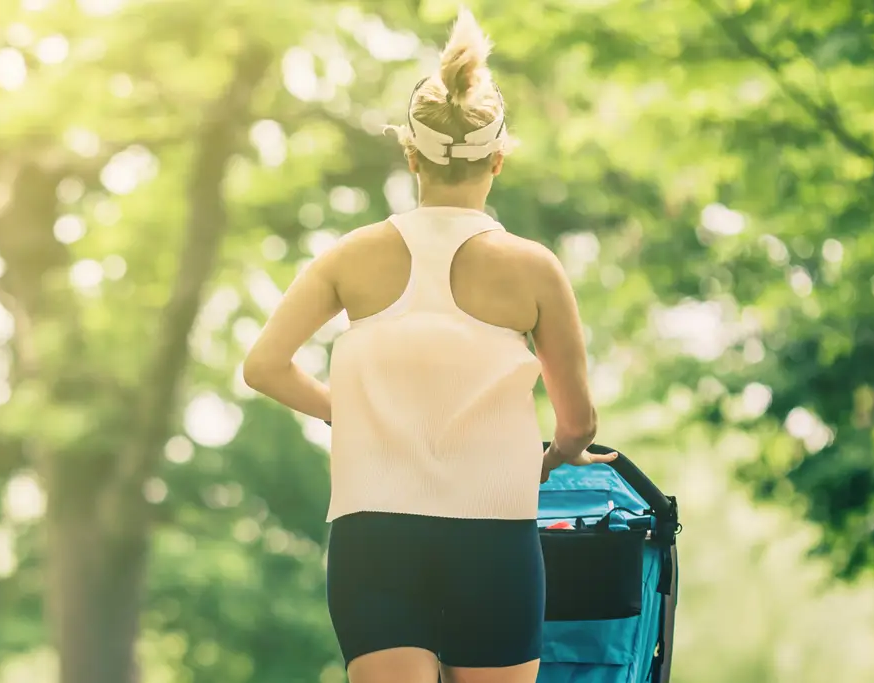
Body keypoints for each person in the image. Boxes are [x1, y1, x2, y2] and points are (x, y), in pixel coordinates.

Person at [239, 8, 618, 683]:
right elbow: (578, 422)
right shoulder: (533, 269)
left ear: (410, 154)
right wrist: (555, 458)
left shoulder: (348, 257)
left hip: (373, 532)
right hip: (493, 533)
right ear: (497, 159)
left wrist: (340, 410)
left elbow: (264, 365)